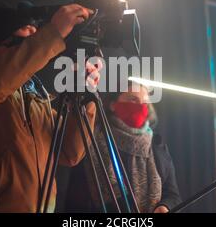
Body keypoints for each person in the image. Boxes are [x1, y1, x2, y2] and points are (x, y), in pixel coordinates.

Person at [0, 1, 102, 213]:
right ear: (3, 35)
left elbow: (70, 152)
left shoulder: (38, 99)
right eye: (28, 28)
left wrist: (83, 95)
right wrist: (52, 34)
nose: (35, 32)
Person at [65, 83, 181, 213]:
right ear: (112, 104)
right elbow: (74, 201)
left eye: (145, 103)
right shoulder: (90, 141)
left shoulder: (157, 146)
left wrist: (165, 206)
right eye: (133, 99)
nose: (140, 106)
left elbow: (172, 195)